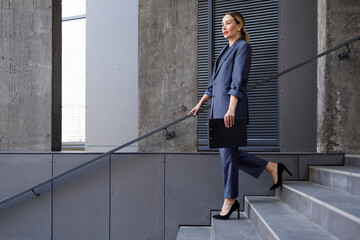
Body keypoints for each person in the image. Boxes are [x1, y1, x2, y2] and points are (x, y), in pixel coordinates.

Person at [188, 11, 292, 220]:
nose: (224, 27)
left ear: (239, 25)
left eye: (228, 23)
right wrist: (200, 103)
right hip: (218, 108)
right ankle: (271, 167)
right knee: (228, 154)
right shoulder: (224, 50)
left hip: (229, 108)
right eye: (222, 24)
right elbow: (213, 82)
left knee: (228, 155)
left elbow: (238, 80)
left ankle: (230, 200)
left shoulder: (243, 47)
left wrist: (232, 108)